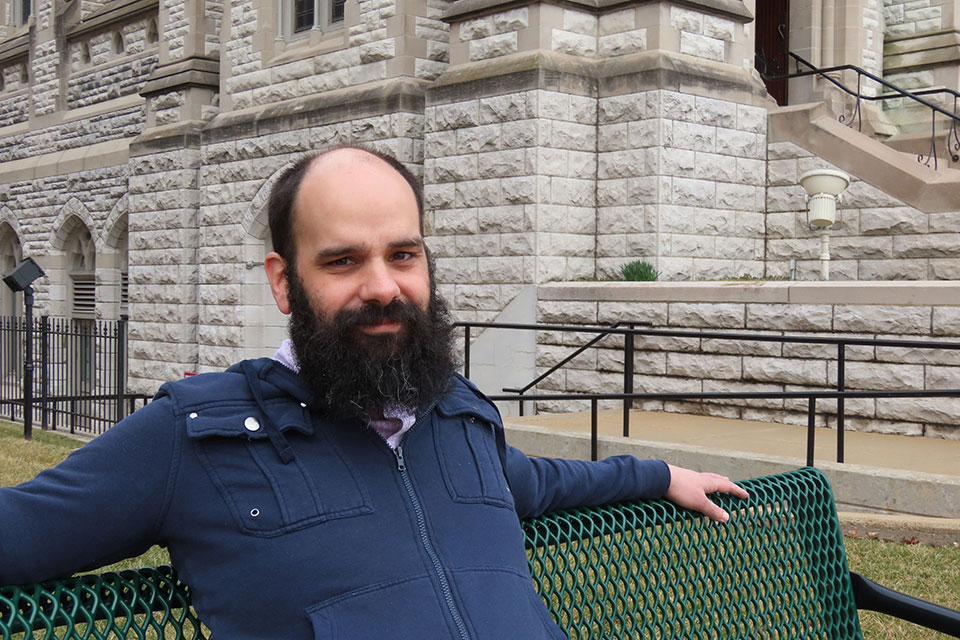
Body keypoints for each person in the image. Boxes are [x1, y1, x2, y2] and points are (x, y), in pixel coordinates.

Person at [0, 146, 747, 639]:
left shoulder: (459, 416)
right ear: (283, 280)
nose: (383, 286)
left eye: (403, 254)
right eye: (342, 261)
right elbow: (24, 528)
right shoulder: (193, 435)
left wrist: (660, 475)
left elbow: (534, 483)